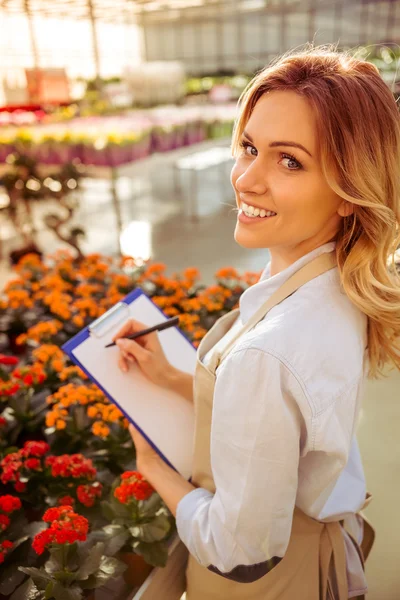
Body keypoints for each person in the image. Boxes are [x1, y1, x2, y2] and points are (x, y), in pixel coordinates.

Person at [113, 44, 400, 600]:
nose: (246, 179)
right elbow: (293, 423)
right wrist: (175, 379)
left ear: (349, 193)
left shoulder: (268, 353)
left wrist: (155, 469)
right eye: (249, 147)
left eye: (289, 160)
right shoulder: (337, 286)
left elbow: (237, 549)